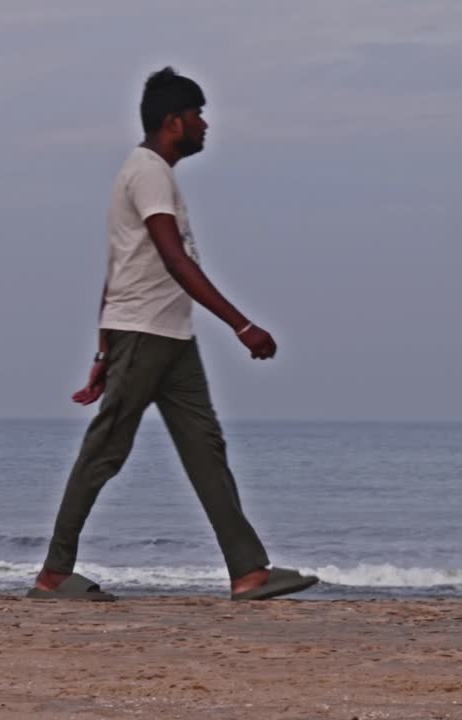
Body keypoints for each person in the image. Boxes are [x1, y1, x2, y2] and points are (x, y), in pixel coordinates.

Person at [28, 67, 318, 602]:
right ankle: (53, 575)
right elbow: (173, 258)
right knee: (105, 450)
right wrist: (242, 325)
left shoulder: (154, 173)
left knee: (206, 449)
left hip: (168, 337)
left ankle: (248, 572)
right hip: (144, 333)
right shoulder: (148, 173)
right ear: (173, 122)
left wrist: (102, 350)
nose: (206, 124)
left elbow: (119, 266)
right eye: (197, 115)